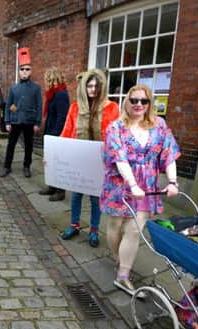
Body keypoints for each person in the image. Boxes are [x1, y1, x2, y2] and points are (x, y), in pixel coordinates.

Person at [101, 84, 180, 295]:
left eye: (143, 101)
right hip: (119, 185)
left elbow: (169, 153)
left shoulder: (159, 125)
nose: (138, 105)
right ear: (126, 102)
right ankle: (119, 259)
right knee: (116, 226)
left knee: (135, 229)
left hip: (148, 186)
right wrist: (133, 184)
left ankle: (123, 275)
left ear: (149, 104)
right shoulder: (115, 127)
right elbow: (119, 158)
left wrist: (172, 181)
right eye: (134, 100)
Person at [59, 69, 119, 248]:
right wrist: (57, 156)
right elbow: (67, 133)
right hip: (79, 159)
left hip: (101, 162)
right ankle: (74, 225)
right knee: (76, 195)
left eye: (95, 86)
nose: (92, 89)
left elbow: (115, 137)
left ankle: (94, 230)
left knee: (95, 198)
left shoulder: (112, 108)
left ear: (101, 87)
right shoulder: (76, 107)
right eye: (89, 86)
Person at [1, 62, 42, 178]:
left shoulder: (36, 87)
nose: (24, 71)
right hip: (15, 120)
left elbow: (39, 105)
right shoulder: (13, 87)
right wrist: (7, 121)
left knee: (29, 145)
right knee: (11, 144)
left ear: (31, 71)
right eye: (22, 69)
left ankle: (26, 166)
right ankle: (7, 166)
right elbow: (9, 104)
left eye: (27, 69)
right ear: (19, 72)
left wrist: (37, 122)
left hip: (29, 121)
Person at [39, 67, 70, 201]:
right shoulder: (53, 94)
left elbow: (62, 117)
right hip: (50, 132)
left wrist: (54, 136)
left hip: (56, 135)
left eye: (47, 80)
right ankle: (52, 186)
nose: (46, 82)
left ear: (53, 79)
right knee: (50, 162)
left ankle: (60, 191)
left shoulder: (61, 94)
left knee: (58, 163)